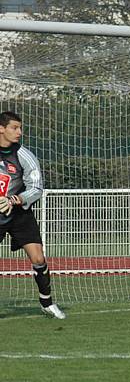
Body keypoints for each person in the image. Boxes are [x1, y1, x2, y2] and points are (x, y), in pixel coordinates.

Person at [0, 111, 65, 319]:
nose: (19, 132)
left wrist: (15, 200)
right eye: (14, 128)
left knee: (38, 257)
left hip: (19, 213)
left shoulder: (24, 155)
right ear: (1, 129)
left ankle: (47, 303)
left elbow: (36, 188)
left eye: (20, 128)